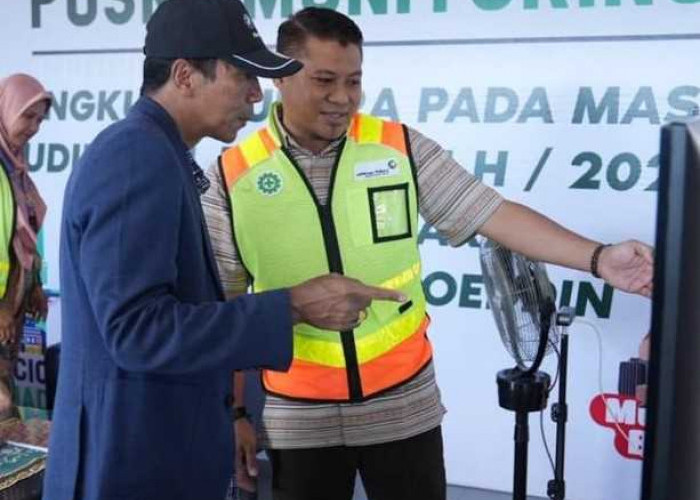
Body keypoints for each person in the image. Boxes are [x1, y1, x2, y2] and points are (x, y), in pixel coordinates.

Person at [202, 7, 654, 500]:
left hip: (405, 406)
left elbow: (492, 214)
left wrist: (600, 258)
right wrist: (234, 413)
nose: (342, 98)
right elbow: (224, 311)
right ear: (282, 79)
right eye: (325, 80)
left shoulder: (398, 147)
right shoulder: (232, 176)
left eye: (354, 81)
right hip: (297, 416)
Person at [42, 2, 404, 500]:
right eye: (243, 77)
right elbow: (136, 331)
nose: (257, 96)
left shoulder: (161, 155)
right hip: (132, 469)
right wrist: (293, 305)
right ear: (186, 75)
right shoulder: (135, 158)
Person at [0, 74, 50, 421]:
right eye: (27, 116)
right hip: (2, 309)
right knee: (2, 406)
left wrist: (34, 285)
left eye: (39, 119)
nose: (33, 127)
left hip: (13, 308)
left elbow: (25, 235)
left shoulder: (15, 168)